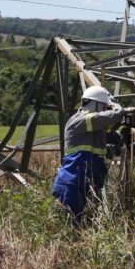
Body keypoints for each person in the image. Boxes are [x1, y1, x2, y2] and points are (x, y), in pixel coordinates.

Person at [51, 85, 128, 222]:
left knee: (83, 224)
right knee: (71, 224)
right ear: (96, 105)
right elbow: (104, 118)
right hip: (71, 184)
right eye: (104, 107)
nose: (105, 111)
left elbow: (110, 154)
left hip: (85, 184)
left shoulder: (95, 130)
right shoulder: (79, 120)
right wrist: (119, 110)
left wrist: (122, 146)